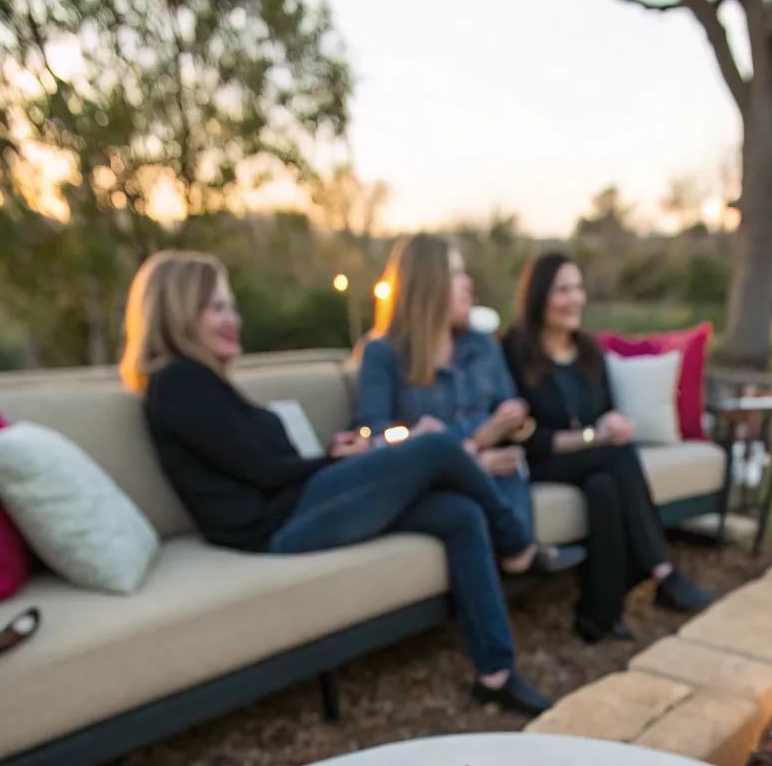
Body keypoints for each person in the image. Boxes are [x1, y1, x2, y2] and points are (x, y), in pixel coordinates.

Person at [120, 249, 556, 716]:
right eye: (217, 308)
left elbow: (260, 462)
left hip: (296, 504)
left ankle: (496, 673)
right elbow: (265, 473)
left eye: (231, 306)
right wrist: (333, 462)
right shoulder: (180, 383)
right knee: (434, 446)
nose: (234, 319)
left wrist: (333, 453)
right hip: (275, 527)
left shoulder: (203, 382)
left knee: (460, 513)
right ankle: (519, 546)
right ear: (178, 311)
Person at [502, 252, 712, 643]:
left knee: (604, 486)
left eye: (578, 288)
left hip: (589, 459)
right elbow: (526, 436)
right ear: (538, 296)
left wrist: (614, 425)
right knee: (615, 457)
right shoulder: (514, 351)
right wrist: (594, 438)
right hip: (540, 461)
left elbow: (604, 412)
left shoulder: (588, 352)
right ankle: (660, 568)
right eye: (562, 289)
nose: (574, 299)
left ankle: (599, 613)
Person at [354, 234, 584, 574]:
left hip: (493, 464)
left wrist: (515, 420)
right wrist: (473, 446)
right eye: (457, 273)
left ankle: (521, 553)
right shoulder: (382, 353)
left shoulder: (482, 346)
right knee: (482, 510)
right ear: (428, 283)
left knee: (511, 467)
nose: (468, 282)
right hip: (424, 477)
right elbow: (374, 437)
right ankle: (524, 549)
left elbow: (511, 412)